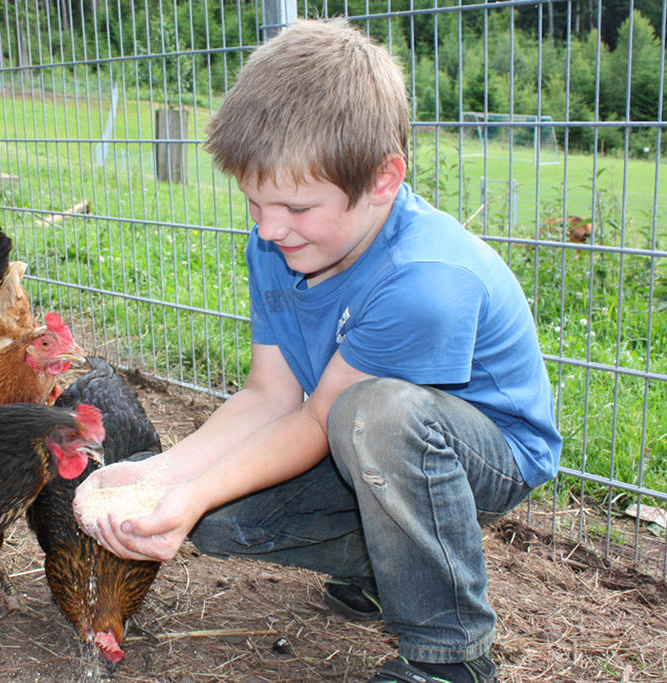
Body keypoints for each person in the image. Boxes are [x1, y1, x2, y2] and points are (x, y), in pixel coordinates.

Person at [73, 17, 561, 683]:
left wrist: (186, 489)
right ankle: (389, 564)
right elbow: (268, 394)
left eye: (297, 208)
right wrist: (162, 477)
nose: (270, 228)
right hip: (359, 431)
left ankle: (452, 652)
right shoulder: (279, 241)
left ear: (385, 179)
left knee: (374, 413)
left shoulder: (424, 282)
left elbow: (321, 416)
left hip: (482, 451)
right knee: (212, 519)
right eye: (253, 201)